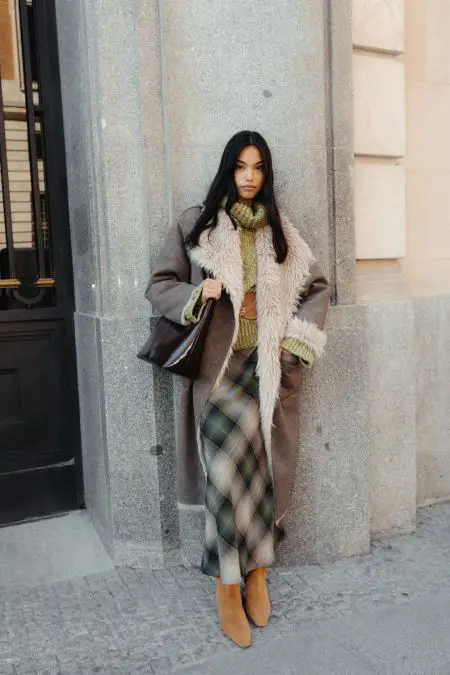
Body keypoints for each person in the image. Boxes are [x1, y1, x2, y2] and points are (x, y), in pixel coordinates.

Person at [147, 130, 330, 648]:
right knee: (226, 482)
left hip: (264, 374)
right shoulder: (197, 225)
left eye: (258, 168)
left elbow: (317, 289)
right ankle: (228, 586)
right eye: (241, 167)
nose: (249, 177)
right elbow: (158, 285)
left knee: (260, 479)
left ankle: (259, 573)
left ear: (266, 174)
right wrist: (196, 292)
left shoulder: (282, 234)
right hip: (217, 378)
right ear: (228, 169)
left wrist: (293, 345)